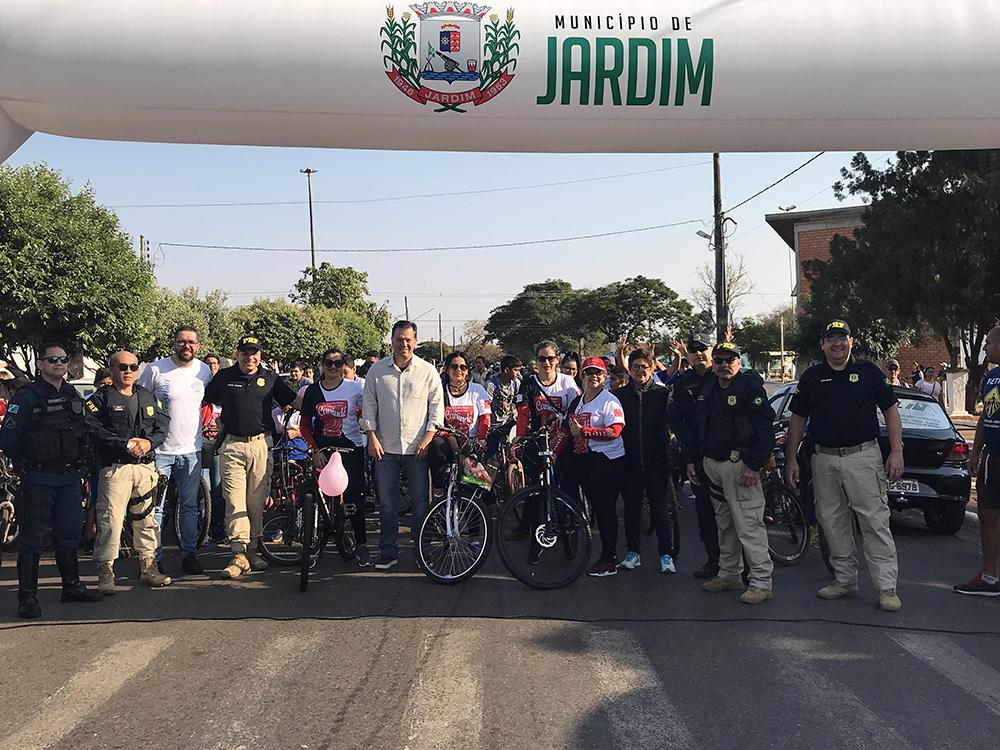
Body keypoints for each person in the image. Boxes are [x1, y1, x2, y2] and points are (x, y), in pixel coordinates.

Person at [785, 320, 904, 613]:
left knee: (874, 522)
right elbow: (798, 420)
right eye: (831, 338)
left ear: (851, 342)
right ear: (823, 344)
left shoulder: (869, 372)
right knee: (831, 521)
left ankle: (887, 588)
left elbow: (890, 411)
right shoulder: (811, 377)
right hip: (823, 458)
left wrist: (897, 451)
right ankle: (844, 580)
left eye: (843, 338)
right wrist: (791, 458)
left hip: (863, 456)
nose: (837, 343)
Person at [0, 343, 103, 618]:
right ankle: (28, 598)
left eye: (63, 359)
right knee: (33, 539)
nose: (59, 363)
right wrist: (26, 465)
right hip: (39, 478)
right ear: (40, 365)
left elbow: (86, 432)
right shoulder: (28, 396)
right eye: (52, 359)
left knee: (69, 534)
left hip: (69, 478)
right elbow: (9, 437)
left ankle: (71, 587)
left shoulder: (72, 393)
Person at [685, 341, 775, 605]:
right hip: (711, 465)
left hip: (740, 465)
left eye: (730, 360)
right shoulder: (708, 387)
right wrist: (692, 460)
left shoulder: (750, 387)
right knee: (724, 524)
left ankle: (761, 582)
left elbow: (764, 429)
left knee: (749, 525)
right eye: (720, 360)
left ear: (739, 361)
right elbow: (697, 426)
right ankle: (729, 574)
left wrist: (755, 465)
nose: (724, 365)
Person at [204, 335, 298, 579]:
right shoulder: (224, 377)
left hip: (260, 445)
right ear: (238, 354)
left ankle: (252, 551)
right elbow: (204, 399)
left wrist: (318, 403)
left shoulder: (270, 378)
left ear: (260, 355)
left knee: (256, 502)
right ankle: (237, 553)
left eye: (254, 352)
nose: (250, 357)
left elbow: (293, 401)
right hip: (232, 445)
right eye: (245, 352)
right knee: (235, 500)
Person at [86, 351, 172, 593]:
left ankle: (148, 568)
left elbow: (162, 426)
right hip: (116, 469)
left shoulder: (147, 396)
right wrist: (124, 445)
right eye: (122, 366)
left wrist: (149, 443)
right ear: (112, 369)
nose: (128, 371)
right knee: (110, 521)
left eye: (133, 367)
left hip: (145, 469)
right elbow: (93, 429)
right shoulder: (100, 400)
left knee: (146, 521)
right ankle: (106, 573)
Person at [361, 321, 443, 570]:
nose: (404, 344)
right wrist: (371, 437)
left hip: (418, 449)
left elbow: (436, 408)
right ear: (392, 340)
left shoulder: (427, 371)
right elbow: (369, 407)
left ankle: (422, 549)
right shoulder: (377, 371)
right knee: (386, 503)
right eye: (399, 339)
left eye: (408, 339)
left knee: (420, 502)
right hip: (385, 448)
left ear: (415, 341)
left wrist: (428, 438)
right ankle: (388, 551)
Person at [137, 325, 212, 575]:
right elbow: (139, 401)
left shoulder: (204, 371)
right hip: (160, 451)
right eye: (182, 341)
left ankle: (189, 554)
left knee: (189, 506)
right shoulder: (155, 369)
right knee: (155, 507)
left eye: (192, 342)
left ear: (198, 346)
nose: (186, 346)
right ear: (174, 344)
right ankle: (153, 559)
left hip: (191, 450)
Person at [300, 348, 370, 565]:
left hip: (351, 449)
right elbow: (304, 426)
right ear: (322, 365)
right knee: (317, 496)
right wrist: (315, 450)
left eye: (337, 364)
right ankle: (315, 541)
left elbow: (368, 412)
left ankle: (361, 544)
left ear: (344, 366)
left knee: (353, 498)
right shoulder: (312, 391)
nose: (332, 368)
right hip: (324, 451)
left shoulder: (355, 388)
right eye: (328, 363)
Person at [613, 349, 676, 574]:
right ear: (629, 370)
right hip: (629, 463)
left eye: (645, 367)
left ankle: (666, 554)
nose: (641, 370)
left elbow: (673, 423)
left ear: (652, 369)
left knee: (660, 509)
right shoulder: (619, 396)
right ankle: (633, 552)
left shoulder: (662, 394)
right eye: (636, 367)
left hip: (657, 462)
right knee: (631, 509)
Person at [666, 333, 720, 579]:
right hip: (698, 457)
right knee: (705, 513)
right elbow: (675, 417)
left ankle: (743, 566)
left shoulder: (724, 375)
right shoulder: (683, 383)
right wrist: (689, 451)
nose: (699, 353)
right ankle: (714, 560)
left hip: (726, 456)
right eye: (693, 349)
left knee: (735, 515)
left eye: (703, 348)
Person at [566, 357, 626, 577]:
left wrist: (585, 433)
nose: (593, 377)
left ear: (605, 377)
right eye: (589, 373)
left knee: (606, 511)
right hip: (587, 461)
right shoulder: (578, 401)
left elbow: (615, 431)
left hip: (608, 461)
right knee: (597, 509)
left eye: (598, 373)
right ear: (582, 376)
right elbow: (567, 428)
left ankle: (609, 560)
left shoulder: (610, 401)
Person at [954, 325, 1000, 596]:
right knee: (988, 516)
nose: (985, 348)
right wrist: (975, 452)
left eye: (990, 343)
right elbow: (986, 416)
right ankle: (990, 578)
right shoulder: (992, 378)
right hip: (992, 459)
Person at [515, 340, 581, 483]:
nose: (546, 363)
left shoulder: (567, 382)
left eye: (550, 358)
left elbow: (575, 412)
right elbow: (523, 412)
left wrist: (564, 436)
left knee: (568, 483)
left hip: (563, 439)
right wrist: (519, 436)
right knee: (534, 485)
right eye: (542, 359)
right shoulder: (529, 383)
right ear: (536, 361)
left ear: (557, 360)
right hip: (538, 439)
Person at [428, 351, 492, 498]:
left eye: (463, 367)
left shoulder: (477, 390)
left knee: (480, 490)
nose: (458, 370)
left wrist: (481, 440)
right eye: (454, 366)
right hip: (448, 443)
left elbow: (485, 418)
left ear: (467, 370)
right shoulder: (440, 392)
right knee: (436, 447)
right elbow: (436, 422)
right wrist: (456, 449)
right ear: (447, 369)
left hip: (472, 444)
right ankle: (438, 495)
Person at [485, 354, 522, 427]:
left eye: (519, 370)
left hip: (510, 422)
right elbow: (486, 407)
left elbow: (516, 401)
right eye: (516, 370)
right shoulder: (491, 384)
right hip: (494, 425)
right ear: (506, 370)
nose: (518, 374)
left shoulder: (516, 383)